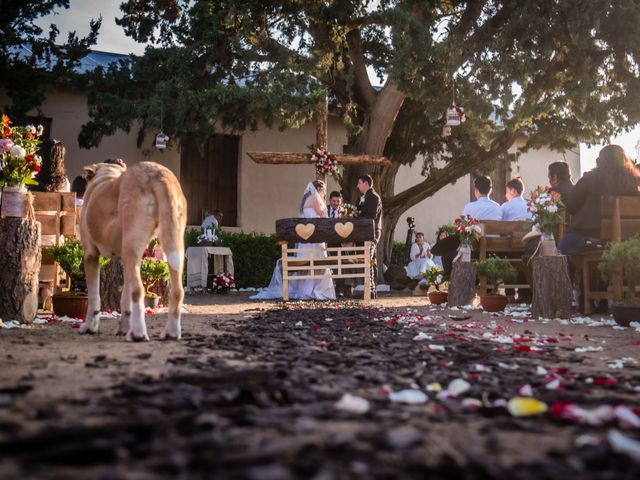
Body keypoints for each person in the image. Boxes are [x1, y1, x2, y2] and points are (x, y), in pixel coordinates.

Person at [251, 180, 336, 300]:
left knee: (311, 263)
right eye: (324, 191)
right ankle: (313, 290)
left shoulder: (306, 199)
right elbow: (323, 216)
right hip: (313, 239)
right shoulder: (314, 199)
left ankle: (306, 289)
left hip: (306, 239)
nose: (324, 193)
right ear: (318, 189)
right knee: (317, 263)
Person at [558, 144, 640, 255]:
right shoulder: (635, 182)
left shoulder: (589, 179)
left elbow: (571, 207)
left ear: (600, 161)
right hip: (628, 240)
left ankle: (573, 272)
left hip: (592, 238)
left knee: (563, 245)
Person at [357, 174, 382, 299]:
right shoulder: (364, 197)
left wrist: (357, 217)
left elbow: (371, 216)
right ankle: (371, 289)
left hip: (372, 232)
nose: (357, 185)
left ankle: (372, 289)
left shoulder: (373, 197)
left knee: (370, 260)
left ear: (365, 183)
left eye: (359, 183)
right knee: (369, 260)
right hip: (366, 232)